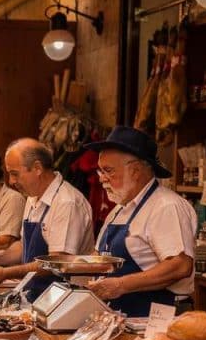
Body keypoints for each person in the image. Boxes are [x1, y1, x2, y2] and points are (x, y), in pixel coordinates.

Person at [83, 127, 197, 316]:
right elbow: (99, 256)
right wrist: (72, 267)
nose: (101, 178)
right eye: (99, 171)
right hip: (119, 317)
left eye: (108, 170)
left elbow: (180, 265)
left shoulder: (166, 206)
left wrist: (120, 285)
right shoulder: (119, 209)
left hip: (155, 317)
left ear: (135, 170)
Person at [0, 138, 95, 301]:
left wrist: (6, 272)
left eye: (14, 174)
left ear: (37, 168)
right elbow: (24, 246)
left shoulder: (66, 202)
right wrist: (0, 257)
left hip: (63, 301)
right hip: (36, 296)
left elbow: (56, 263)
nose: (11, 182)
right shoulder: (32, 197)